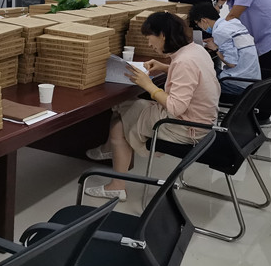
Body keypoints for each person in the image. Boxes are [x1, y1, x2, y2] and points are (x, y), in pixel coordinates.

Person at [83, 12, 220, 201]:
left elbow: (175, 107)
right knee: (124, 110)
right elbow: (193, 75)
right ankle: (110, 152)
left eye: (149, 37)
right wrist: (165, 67)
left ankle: (117, 184)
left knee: (119, 123)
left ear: (162, 35)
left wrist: (148, 85)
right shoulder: (195, 50)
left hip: (186, 128)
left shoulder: (184, 62)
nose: (148, 44)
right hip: (203, 121)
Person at [189, 2, 261, 98]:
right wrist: (216, 40)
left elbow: (231, 63)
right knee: (208, 71)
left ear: (203, 21)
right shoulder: (233, 23)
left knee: (197, 80)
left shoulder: (220, 31)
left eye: (198, 24)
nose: (200, 28)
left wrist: (215, 48)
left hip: (236, 85)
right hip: (252, 81)